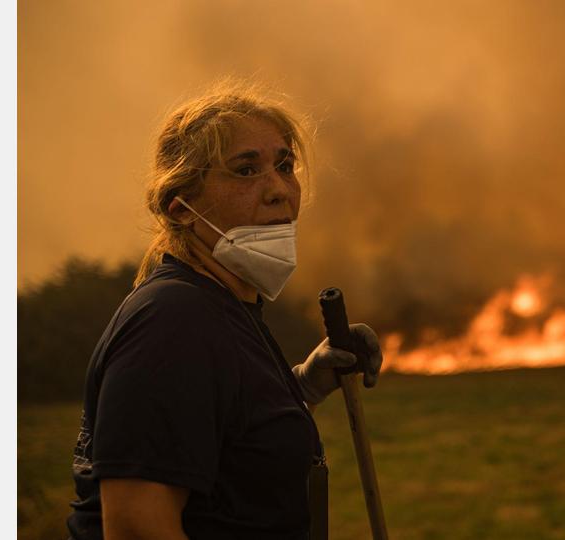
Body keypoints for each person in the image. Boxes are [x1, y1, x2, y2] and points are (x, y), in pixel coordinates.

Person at [65, 83, 383, 540]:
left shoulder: (223, 308)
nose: (279, 190)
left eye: (285, 165)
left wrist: (304, 387)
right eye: (245, 170)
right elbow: (137, 528)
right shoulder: (172, 322)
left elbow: (228, 444)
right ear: (181, 208)